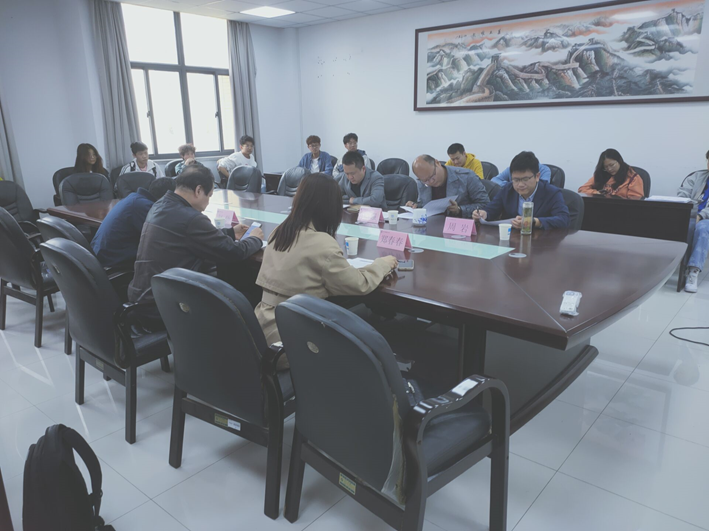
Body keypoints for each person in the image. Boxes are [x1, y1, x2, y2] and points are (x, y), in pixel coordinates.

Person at [255, 172, 398, 367]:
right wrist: (383, 264)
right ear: (330, 207)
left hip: (263, 330)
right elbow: (359, 284)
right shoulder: (321, 243)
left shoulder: (280, 232)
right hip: (293, 339)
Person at [127, 165, 264, 325]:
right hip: (164, 307)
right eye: (209, 196)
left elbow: (190, 237)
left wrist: (230, 233)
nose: (208, 202)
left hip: (144, 298)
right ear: (198, 190)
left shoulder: (161, 205)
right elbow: (234, 252)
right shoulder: (191, 218)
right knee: (247, 298)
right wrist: (255, 239)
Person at [91, 178, 175, 268]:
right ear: (167, 197)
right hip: (112, 261)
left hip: (102, 255)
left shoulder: (134, 198)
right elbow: (163, 237)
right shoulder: (145, 207)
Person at [473, 151, 569, 230]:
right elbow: (491, 209)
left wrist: (535, 222)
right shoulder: (508, 189)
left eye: (525, 179)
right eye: (516, 180)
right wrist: (483, 214)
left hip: (541, 242)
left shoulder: (551, 192)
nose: (520, 184)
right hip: (511, 239)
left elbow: (563, 219)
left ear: (537, 176)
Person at [406, 155, 489, 218]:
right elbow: (424, 205)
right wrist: (415, 206)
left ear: (437, 163)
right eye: (425, 180)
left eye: (432, 176)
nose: (430, 182)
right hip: (432, 226)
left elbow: (485, 204)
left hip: (460, 226)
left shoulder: (467, 177)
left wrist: (460, 210)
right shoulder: (422, 181)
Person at [677, 150, 709, 293]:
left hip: (706, 219)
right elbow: (682, 195)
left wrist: (700, 216)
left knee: (701, 228)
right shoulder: (696, 176)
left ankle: (693, 270)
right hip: (690, 214)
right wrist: (688, 212)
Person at [578, 149, 644, 199]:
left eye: (612, 165)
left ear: (619, 161)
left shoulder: (632, 177)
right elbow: (582, 189)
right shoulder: (601, 174)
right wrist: (597, 193)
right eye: (606, 167)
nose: (609, 169)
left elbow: (635, 200)